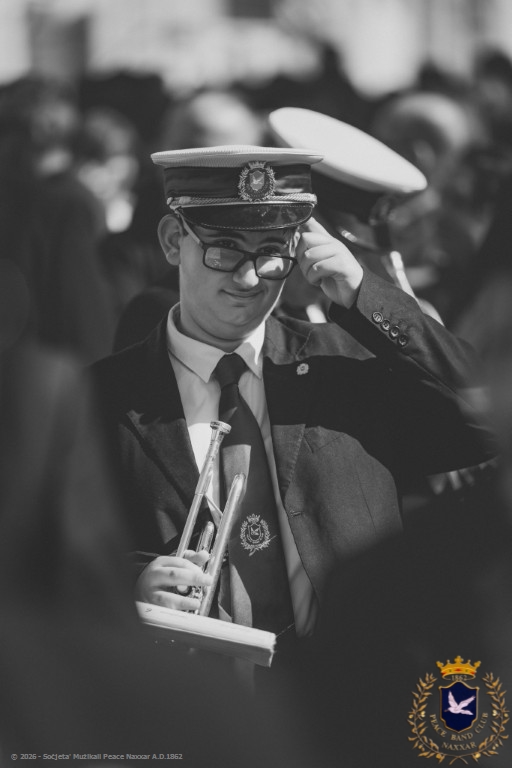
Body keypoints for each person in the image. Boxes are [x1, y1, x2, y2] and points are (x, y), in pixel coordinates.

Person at [91, 145, 494, 661]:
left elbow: (488, 418)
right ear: (174, 241)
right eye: (224, 248)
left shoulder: (343, 361)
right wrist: (130, 586)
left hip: (349, 685)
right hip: (196, 695)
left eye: (271, 252)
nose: (248, 278)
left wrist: (364, 294)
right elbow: (42, 554)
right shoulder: (102, 394)